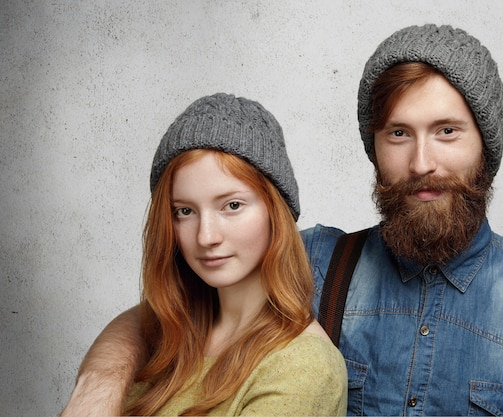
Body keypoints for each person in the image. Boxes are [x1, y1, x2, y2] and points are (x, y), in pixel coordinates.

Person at [61, 25, 503, 416]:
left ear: (486, 147)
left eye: (447, 131)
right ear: (374, 147)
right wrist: (101, 382)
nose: (422, 162)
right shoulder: (310, 262)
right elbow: (165, 311)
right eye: (398, 133)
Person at [63, 93, 348, 416]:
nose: (206, 236)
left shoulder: (303, 367)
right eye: (185, 211)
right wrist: (98, 381)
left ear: (276, 211)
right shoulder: (169, 334)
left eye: (232, 206)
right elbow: (141, 319)